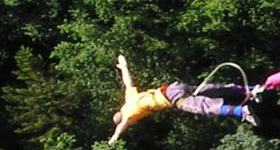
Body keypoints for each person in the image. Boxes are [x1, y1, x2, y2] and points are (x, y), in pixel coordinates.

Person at [108, 55, 256, 144]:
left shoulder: (130, 114)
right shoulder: (129, 99)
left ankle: (241, 111)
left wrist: (115, 137)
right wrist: (124, 67)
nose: (132, 123)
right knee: (212, 89)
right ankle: (252, 90)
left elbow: (122, 125)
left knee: (205, 107)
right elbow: (128, 82)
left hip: (173, 98)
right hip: (174, 88)